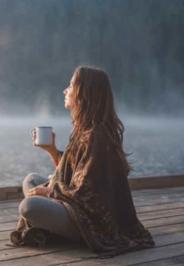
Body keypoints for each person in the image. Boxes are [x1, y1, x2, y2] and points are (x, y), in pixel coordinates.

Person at [9, 65, 155, 258]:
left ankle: (59, 233)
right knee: (32, 180)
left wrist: (50, 191)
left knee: (29, 206)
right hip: (78, 205)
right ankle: (48, 228)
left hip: (95, 222)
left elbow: (88, 193)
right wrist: (52, 150)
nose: (65, 90)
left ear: (84, 93)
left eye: (70, 85)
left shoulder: (97, 137)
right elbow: (76, 172)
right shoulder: (84, 130)